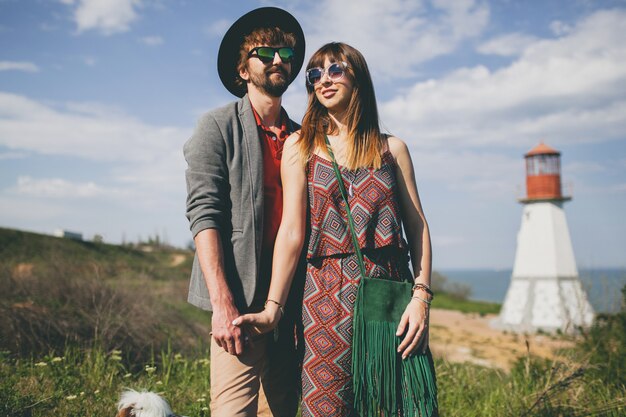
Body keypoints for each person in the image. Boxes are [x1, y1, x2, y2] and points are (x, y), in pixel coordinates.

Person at [234, 42, 438, 416]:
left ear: (357, 75)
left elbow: (417, 227)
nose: (323, 80)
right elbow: (292, 233)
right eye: (314, 75)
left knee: (405, 406)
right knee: (327, 408)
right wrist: (273, 309)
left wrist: (421, 298)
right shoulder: (302, 146)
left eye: (335, 69)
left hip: (390, 293)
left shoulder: (393, 149)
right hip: (324, 298)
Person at [183, 7, 306, 417]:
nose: (277, 60)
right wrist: (223, 304)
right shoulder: (216, 126)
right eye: (265, 52)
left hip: (294, 306)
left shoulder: (306, 138)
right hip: (240, 309)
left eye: (286, 54)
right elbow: (205, 214)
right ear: (242, 69)